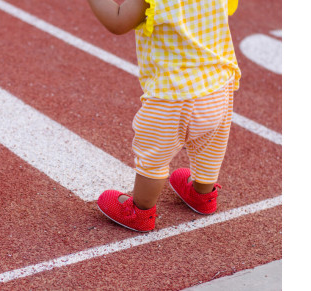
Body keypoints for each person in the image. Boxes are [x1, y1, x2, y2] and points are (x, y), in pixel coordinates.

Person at [87, 0, 241, 232]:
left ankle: (140, 211)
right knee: (210, 148)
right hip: (218, 86)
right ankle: (203, 195)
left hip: (172, 95)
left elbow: (118, 21)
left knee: (153, 160)